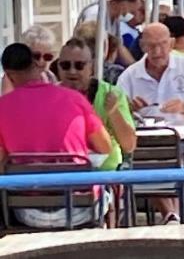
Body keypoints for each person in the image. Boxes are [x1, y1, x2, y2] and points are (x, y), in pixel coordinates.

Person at [0, 43, 112, 229]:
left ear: (9, 75)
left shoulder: (2, 107)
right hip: (78, 207)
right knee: (110, 193)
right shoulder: (74, 99)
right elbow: (105, 147)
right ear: (36, 65)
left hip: (27, 211)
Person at [117, 22, 184, 224]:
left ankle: (172, 213)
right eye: (151, 46)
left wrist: (183, 108)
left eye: (162, 44)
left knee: (169, 154)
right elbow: (118, 114)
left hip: (182, 140)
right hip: (147, 142)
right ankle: (171, 213)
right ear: (142, 47)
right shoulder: (130, 76)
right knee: (149, 154)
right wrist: (129, 108)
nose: (157, 51)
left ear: (172, 43)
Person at [57, 38, 136, 170]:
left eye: (79, 65)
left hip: (106, 175)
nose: (72, 71)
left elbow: (129, 145)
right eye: (65, 65)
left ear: (91, 67)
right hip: (65, 174)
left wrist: (113, 112)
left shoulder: (111, 93)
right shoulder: (52, 96)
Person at [77, 0, 142, 66]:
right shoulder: (96, 13)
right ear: (124, 4)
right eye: (132, 12)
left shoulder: (116, 19)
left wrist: (134, 66)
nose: (132, 16)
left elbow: (119, 46)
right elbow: (88, 39)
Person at [1, 25, 57, 95]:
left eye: (47, 57)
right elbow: (8, 102)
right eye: (36, 56)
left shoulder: (50, 76)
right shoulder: (12, 77)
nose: (41, 61)